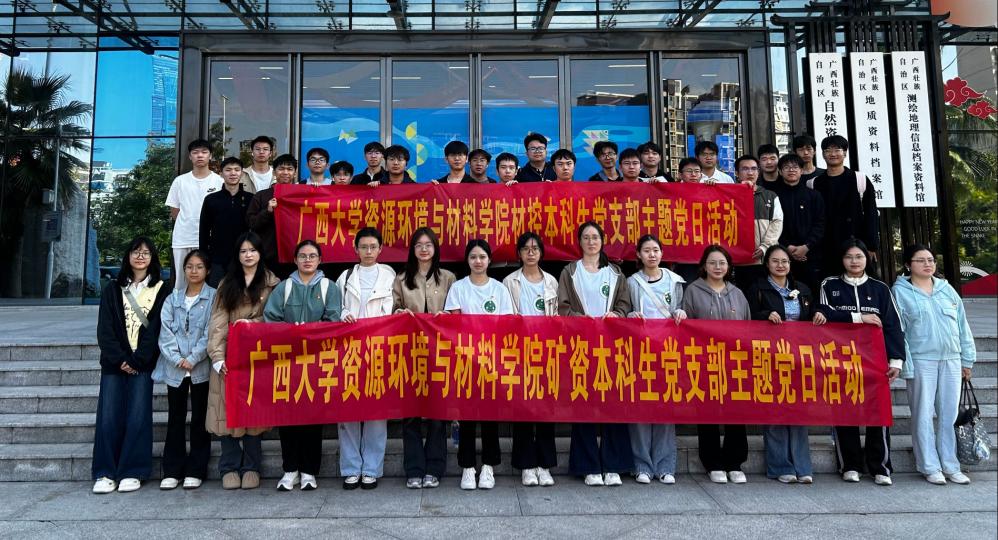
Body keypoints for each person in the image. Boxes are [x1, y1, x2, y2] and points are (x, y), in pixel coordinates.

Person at [818, 238, 904, 486]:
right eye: (849, 257)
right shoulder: (829, 284)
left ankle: (880, 467)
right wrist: (858, 317)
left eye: (859, 256)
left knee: (878, 414)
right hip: (841, 360)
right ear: (841, 259)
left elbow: (893, 325)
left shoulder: (880, 288)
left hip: (875, 361)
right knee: (845, 412)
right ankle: (850, 465)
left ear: (867, 259)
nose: (854, 261)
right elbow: (824, 313)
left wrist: (896, 360)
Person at [893, 244, 976, 485]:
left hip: (951, 359)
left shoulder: (946, 289)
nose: (927, 264)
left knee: (949, 414)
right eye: (920, 260)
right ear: (908, 265)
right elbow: (899, 332)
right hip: (922, 360)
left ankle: (950, 464)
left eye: (930, 260)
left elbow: (962, 325)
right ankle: (929, 466)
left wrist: (967, 359)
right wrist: (906, 365)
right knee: (922, 414)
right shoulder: (900, 292)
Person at [557, 221, 633, 486]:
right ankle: (587, 465)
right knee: (583, 402)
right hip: (580, 344)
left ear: (603, 241)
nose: (591, 242)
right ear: (579, 242)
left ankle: (614, 464)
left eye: (595, 237)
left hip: (611, 345)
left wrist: (617, 314)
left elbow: (624, 303)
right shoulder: (570, 272)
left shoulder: (615, 273)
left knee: (614, 402)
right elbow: (563, 307)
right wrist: (581, 320)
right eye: (586, 237)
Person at [92, 237, 170, 495]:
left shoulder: (161, 289)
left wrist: (138, 359)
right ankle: (105, 472)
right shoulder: (113, 289)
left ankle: (132, 471)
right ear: (128, 256)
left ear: (152, 258)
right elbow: (105, 330)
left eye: (146, 253)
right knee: (108, 417)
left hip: (142, 364)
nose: (140, 256)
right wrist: (120, 359)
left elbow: (157, 327)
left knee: (138, 416)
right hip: (114, 364)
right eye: (136, 252)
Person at [263, 239, 342, 491]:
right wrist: (292, 333)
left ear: (320, 260)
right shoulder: (284, 287)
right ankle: (290, 470)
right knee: (287, 416)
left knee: (312, 417)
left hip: (317, 361)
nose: (307, 260)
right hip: (287, 361)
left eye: (312, 256)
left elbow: (333, 320)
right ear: (295, 260)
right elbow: (270, 318)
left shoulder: (329, 287)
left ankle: (309, 471)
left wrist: (309, 333)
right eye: (303, 256)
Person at [746, 245, 825, 484]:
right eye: (775, 261)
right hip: (770, 357)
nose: (781, 265)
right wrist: (765, 315)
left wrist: (818, 313)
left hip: (799, 357)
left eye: (785, 261)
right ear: (766, 264)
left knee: (799, 410)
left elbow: (812, 311)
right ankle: (780, 466)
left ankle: (803, 466)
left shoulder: (802, 289)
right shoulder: (757, 288)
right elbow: (748, 317)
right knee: (774, 410)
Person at [206, 232, 279, 491]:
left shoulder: (272, 284)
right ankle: (228, 467)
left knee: (253, 413)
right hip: (230, 356)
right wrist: (217, 356)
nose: (248, 255)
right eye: (243, 251)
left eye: (252, 250)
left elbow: (275, 318)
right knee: (225, 412)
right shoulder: (227, 283)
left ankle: (251, 467)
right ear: (237, 256)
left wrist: (251, 323)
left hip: (258, 358)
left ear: (260, 253)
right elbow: (217, 321)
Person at [445, 239, 515, 490]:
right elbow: (454, 324)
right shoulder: (458, 288)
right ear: (467, 260)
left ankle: (488, 466)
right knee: (466, 415)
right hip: (465, 359)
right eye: (473, 257)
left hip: (492, 360)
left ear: (489, 260)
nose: (478, 261)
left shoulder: (499, 289)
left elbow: (506, 325)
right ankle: (467, 467)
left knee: (489, 415)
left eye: (482, 257)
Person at [681, 244, 751, 484]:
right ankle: (712, 463)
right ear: (704, 266)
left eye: (722, 263)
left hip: (733, 363)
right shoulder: (693, 291)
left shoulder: (737, 293)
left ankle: (734, 462)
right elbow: (687, 327)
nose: (717, 267)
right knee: (708, 413)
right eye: (712, 263)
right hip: (705, 362)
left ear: (729, 266)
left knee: (736, 412)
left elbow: (748, 327)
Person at [393, 227, 456, 490]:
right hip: (410, 353)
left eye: (428, 244)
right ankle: (414, 469)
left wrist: (448, 316)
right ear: (412, 249)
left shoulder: (449, 278)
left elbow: (458, 313)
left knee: (438, 413)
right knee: (411, 414)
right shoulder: (401, 278)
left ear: (435, 248)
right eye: (419, 245)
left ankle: (434, 468)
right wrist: (400, 313)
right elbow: (393, 309)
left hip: (440, 353)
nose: (424, 249)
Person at [334, 228, 395, 490]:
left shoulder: (390, 276)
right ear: (355, 249)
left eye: (373, 247)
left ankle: (371, 468)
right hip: (349, 349)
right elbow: (335, 306)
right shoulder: (346, 276)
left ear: (380, 249)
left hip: (378, 349)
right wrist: (343, 314)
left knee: (376, 412)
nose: (368, 252)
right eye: (363, 247)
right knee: (348, 409)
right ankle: (350, 468)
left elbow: (395, 309)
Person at [626, 234, 686, 485]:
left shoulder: (675, 281)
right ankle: (641, 465)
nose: (652, 255)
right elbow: (624, 309)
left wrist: (681, 312)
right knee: (640, 407)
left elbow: (681, 308)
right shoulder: (631, 282)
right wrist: (630, 315)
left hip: (668, 350)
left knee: (665, 406)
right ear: (638, 255)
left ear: (662, 253)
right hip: (640, 351)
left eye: (656, 250)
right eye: (647, 251)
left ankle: (665, 465)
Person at [153, 249, 215, 491]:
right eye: (190, 267)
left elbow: (212, 331)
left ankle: (196, 470)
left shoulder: (214, 297)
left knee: (200, 419)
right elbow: (165, 331)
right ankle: (172, 470)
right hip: (175, 369)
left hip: (201, 368)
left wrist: (194, 357)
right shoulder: (173, 298)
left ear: (207, 270)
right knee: (175, 418)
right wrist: (178, 358)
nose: (194, 271)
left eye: (199, 267)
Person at [503, 232, 559, 487]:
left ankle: (545, 465)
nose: (531, 253)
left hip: (546, 351)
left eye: (535, 248)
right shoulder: (509, 281)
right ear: (519, 253)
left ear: (541, 252)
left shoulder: (551, 281)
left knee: (546, 409)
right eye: (526, 249)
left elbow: (558, 317)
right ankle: (526, 465)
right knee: (523, 409)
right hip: (519, 351)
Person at [809, 135, 879, 278]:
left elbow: (871, 214)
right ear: (822, 154)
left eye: (837, 150)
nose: (833, 154)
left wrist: (871, 246)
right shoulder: (814, 183)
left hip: (856, 243)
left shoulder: (859, 179)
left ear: (845, 153)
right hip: (826, 246)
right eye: (828, 150)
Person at [166, 138, 223, 291]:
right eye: (195, 152)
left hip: (208, 240)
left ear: (210, 156)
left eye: (204, 152)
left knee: (208, 281)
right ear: (190, 156)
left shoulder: (219, 181)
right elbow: (174, 210)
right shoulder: (180, 181)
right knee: (181, 281)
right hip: (183, 239)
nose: (200, 155)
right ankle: (178, 306)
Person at [199, 157, 254, 287]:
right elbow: (204, 230)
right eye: (228, 170)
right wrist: (204, 256)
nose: (233, 173)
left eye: (237, 170)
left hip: (244, 256)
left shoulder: (251, 199)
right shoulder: (211, 199)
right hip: (217, 258)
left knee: (242, 292)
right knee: (215, 292)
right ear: (221, 173)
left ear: (242, 173)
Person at [775, 154, 825, 291]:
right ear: (780, 171)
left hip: (811, 255)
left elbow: (820, 224)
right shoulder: (774, 196)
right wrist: (787, 247)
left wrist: (806, 246)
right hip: (782, 255)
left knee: (811, 292)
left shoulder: (814, 195)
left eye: (795, 167)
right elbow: (773, 226)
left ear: (801, 170)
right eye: (786, 167)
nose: (791, 170)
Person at [735, 154, 783, 291]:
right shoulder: (729, 195)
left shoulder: (770, 195)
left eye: (754, 169)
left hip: (764, 258)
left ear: (758, 172)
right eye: (745, 169)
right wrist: (741, 192)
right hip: (738, 260)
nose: (750, 173)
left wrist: (764, 247)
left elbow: (777, 223)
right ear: (737, 173)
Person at [246, 154, 298, 279]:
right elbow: (251, 224)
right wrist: (267, 211)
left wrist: (316, 190)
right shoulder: (261, 196)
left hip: (295, 256)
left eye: (290, 169)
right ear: (274, 172)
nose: (285, 172)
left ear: (295, 173)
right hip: (268, 256)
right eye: (281, 169)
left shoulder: (301, 195)